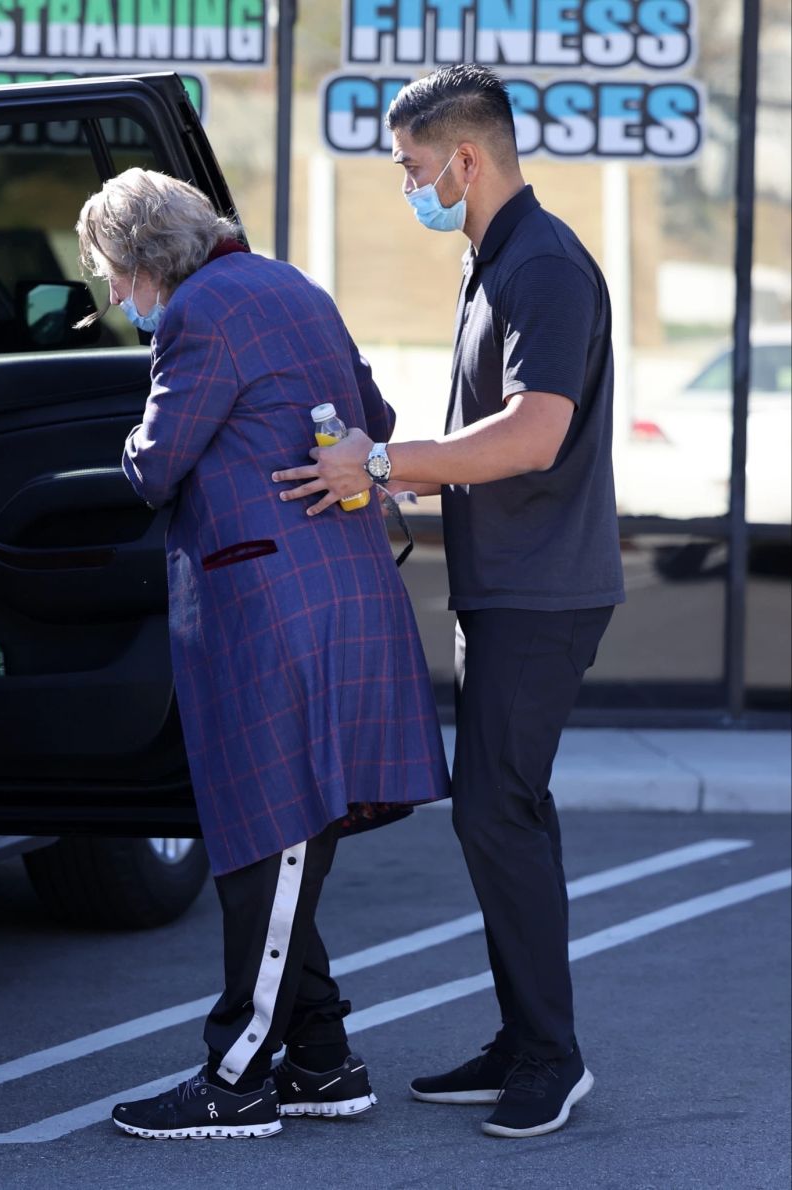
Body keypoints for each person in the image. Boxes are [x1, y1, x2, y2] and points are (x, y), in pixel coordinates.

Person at [273, 65, 625, 1139]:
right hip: (506, 587)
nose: (409, 187)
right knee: (513, 811)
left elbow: (534, 433)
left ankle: (551, 1057)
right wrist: (388, 464)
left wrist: (378, 463)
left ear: (465, 158)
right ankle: (526, 1039)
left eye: (412, 167)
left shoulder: (546, 267)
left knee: (493, 810)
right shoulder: (498, 257)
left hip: (543, 592)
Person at [75, 168, 450, 1141]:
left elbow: (157, 463)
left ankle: (236, 1072)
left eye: (113, 274)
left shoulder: (196, 312)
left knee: (274, 836)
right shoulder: (292, 285)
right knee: (271, 842)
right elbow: (378, 420)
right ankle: (321, 1055)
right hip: (337, 593)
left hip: (276, 611)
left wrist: (122, 439)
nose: (116, 295)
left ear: (144, 256)